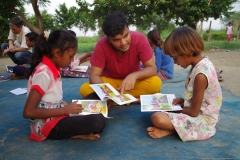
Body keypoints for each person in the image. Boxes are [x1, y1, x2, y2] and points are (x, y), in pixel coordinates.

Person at [23, 30, 106, 142]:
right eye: (71, 56)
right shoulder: (43, 74)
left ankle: (96, 111)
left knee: (99, 95)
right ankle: (75, 133)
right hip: (47, 125)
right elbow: (28, 112)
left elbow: (48, 97)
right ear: (57, 53)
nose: (72, 60)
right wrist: (64, 110)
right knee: (97, 121)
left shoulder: (53, 68)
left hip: (58, 112)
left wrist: (62, 105)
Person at [147, 27, 222, 141]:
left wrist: (171, 109)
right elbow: (200, 98)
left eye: (175, 58)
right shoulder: (199, 64)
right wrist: (184, 101)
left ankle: (172, 130)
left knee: (157, 118)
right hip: (197, 113)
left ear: (187, 52)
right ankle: (176, 129)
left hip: (203, 121)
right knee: (158, 115)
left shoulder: (201, 75)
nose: (174, 62)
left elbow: (194, 112)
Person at [79, 12, 162, 103]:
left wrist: (134, 76)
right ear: (109, 39)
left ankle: (114, 101)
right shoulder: (101, 45)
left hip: (134, 82)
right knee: (85, 89)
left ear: (128, 30)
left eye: (126, 35)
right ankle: (133, 100)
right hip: (111, 82)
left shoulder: (140, 39)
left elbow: (152, 68)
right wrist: (107, 92)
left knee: (156, 83)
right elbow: (94, 75)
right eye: (116, 40)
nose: (123, 43)